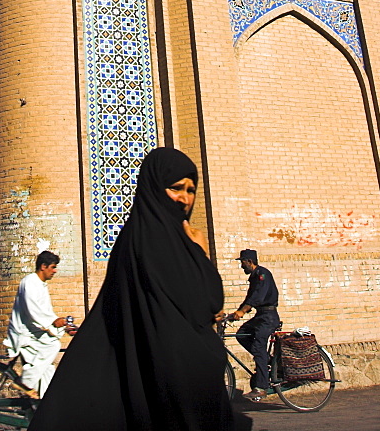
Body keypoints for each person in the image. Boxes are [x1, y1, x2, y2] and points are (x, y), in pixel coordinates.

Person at [29, 147, 249, 431]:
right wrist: (197, 251)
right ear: (154, 187)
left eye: (191, 190)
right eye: (176, 188)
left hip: (192, 367)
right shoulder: (142, 241)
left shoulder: (180, 238)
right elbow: (202, 303)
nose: (185, 199)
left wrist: (198, 250)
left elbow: (210, 302)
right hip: (163, 373)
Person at [4, 251, 75, 397]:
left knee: (46, 368)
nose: (55, 271)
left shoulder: (41, 285)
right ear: (43, 266)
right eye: (53, 267)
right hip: (23, 332)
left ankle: (46, 403)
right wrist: (53, 322)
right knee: (53, 345)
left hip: (33, 332)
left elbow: (47, 312)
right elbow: (33, 310)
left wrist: (63, 327)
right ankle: (25, 382)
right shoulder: (29, 282)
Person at [226, 249, 280, 401]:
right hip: (261, 316)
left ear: (249, 262)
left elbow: (257, 297)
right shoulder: (254, 277)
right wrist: (235, 313)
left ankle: (261, 388)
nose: (242, 266)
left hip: (269, 317)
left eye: (242, 263)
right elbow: (249, 298)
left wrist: (243, 311)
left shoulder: (262, 275)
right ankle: (267, 361)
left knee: (258, 347)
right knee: (242, 334)